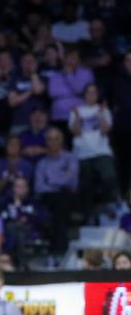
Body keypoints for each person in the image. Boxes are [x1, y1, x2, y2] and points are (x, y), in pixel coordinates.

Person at [69, 83, 117, 223]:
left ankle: (109, 203)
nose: (91, 95)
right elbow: (75, 132)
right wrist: (77, 117)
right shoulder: (76, 110)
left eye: (94, 92)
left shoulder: (103, 110)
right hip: (82, 153)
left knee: (109, 176)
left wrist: (101, 113)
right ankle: (89, 213)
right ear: (84, 95)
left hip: (101, 151)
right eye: (88, 92)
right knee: (86, 184)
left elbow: (105, 130)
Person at [34, 127, 79, 252]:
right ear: (46, 142)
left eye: (56, 139)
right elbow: (39, 187)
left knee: (60, 204)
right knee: (55, 206)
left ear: (62, 141)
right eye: (50, 139)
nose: (53, 142)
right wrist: (59, 182)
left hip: (69, 196)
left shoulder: (70, 159)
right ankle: (60, 248)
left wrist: (51, 182)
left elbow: (71, 181)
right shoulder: (42, 163)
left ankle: (57, 249)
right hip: (49, 198)